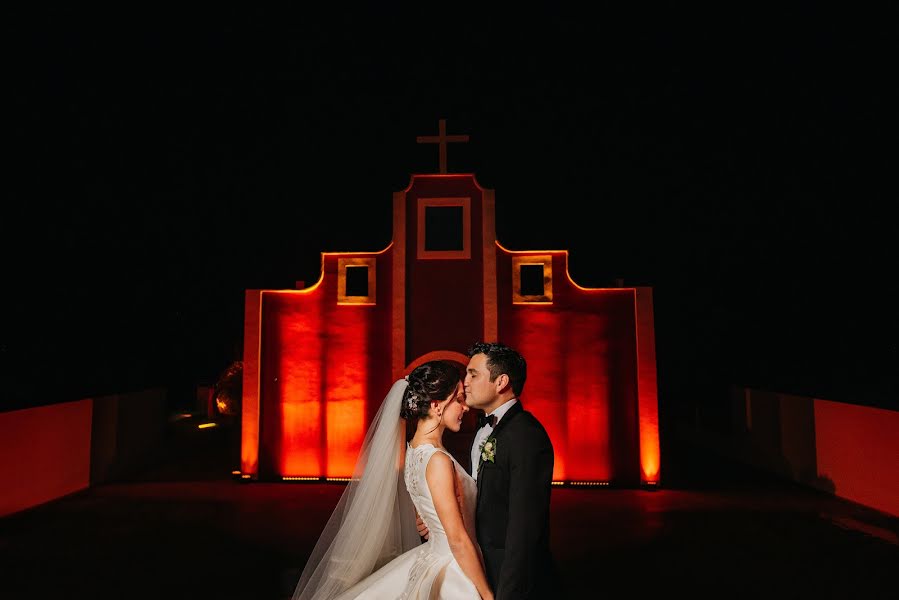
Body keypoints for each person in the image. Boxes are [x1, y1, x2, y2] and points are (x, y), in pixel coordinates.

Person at [292, 360, 494, 600]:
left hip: (433, 555)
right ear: (437, 405)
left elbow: (432, 513)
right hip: (453, 566)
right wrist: (488, 595)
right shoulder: (437, 460)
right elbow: (458, 540)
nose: (466, 407)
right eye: (459, 399)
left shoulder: (414, 451)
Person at [418, 342, 558, 599]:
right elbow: (479, 496)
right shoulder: (483, 430)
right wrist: (439, 518)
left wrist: (508, 593)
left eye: (473, 374)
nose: (466, 382)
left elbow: (525, 530)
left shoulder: (527, 436)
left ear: (501, 381)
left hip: (505, 577)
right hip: (475, 568)